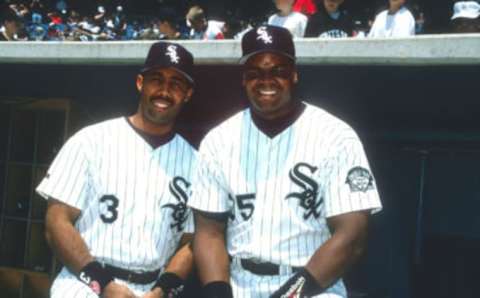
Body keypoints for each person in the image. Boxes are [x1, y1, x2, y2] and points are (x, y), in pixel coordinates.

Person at [189, 25, 382, 298]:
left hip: (314, 285)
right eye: (255, 73)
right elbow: (209, 234)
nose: (266, 81)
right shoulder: (218, 140)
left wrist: (289, 294)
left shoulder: (336, 136)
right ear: (243, 79)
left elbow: (352, 238)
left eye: (277, 71)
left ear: (293, 74)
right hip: (239, 283)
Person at [36, 42, 198, 298]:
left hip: (152, 289)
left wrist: (163, 290)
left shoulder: (197, 163)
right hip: (84, 283)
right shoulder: (90, 140)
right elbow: (56, 222)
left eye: (177, 83)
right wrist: (103, 284)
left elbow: (192, 242)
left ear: (187, 94)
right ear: (140, 83)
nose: (165, 91)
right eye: (157, 79)